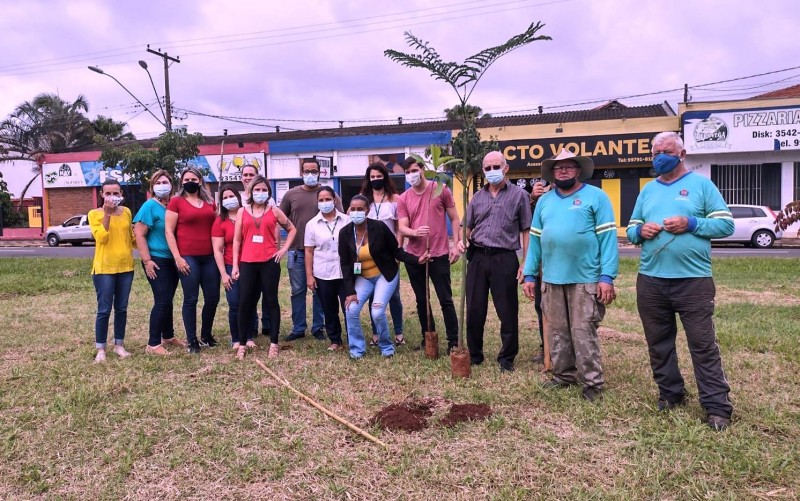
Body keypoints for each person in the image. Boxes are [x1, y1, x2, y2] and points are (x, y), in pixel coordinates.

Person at [626, 131, 735, 431]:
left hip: (693, 282)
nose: (660, 155)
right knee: (658, 343)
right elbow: (631, 228)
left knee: (702, 345)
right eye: (655, 151)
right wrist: (640, 232)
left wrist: (691, 223)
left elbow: (726, 224)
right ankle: (671, 394)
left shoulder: (701, 185)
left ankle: (716, 407)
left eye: (667, 150)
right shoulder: (647, 190)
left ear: (682, 154)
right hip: (651, 280)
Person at [522, 149, 619, 401]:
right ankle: (563, 375)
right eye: (558, 167)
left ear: (578, 170)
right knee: (557, 331)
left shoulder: (596, 197)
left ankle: (592, 383)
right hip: (552, 278)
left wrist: (607, 277)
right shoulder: (544, 201)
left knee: (583, 330)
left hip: (585, 278)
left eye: (568, 166)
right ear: (552, 173)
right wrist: (530, 274)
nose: (563, 170)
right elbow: (535, 241)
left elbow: (608, 239)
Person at [464, 151, 531, 372]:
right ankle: (475, 354)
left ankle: (507, 357)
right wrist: (461, 241)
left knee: (507, 309)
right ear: (483, 171)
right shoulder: (477, 197)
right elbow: (467, 227)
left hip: (505, 258)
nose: (492, 171)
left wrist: (525, 262)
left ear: (505, 168)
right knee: (475, 307)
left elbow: (526, 230)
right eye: (487, 168)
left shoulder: (519, 195)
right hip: (478, 257)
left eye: (496, 166)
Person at [339, 195, 427, 360]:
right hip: (363, 277)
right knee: (351, 310)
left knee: (378, 312)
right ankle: (357, 349)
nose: (356, 212)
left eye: (360, 209)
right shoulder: (344, 233)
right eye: (353, 209)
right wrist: (350, 291)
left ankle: (386, 346)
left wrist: (417, 260)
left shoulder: (379, 228)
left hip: (384, 275)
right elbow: (345, 264)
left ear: (367, 211)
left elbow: (397, 251)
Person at [397, 157, 464, 353]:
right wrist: (414, 232)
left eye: (414, 170)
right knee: (421, 300)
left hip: (439, 254)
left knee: (445, 299)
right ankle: (428, 338)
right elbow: (402, 226)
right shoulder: (404, 198)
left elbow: (454, 218)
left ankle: (453, 341)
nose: (411, 174)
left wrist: (455, 245)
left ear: (423, 170)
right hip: (415, 256)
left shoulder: (440, 189)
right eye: (407, 171)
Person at [279, 158, 342, 342]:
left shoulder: (330, 195)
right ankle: (298, 328)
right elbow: (280, 218)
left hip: (321, 253)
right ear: (301, 172)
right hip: (297, 251)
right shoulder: (291, 194)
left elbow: (341, 220)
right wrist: (292, 233)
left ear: (320, 172)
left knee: (319, 291)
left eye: (314, 171)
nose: (310, 175)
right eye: (306, 171)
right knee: (297, 291)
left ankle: (318, 327)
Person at [233, 176, 295, 360]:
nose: (260, 193)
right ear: (250, 192)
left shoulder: (274, 211)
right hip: (248, 262)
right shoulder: (242, 212)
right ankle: (242, 343)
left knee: (271, 301)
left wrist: (283, 249)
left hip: (269, 261)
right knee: (244, 302)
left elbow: (292, 229)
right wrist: (235, 265)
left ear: (269, 192)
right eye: (257, 190)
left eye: (264, 190)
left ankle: (274, 343)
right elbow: (237, 240)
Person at [165, 167, 220, 354]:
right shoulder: (176, 202)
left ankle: (206, 334)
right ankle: (192, 339)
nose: (190, 182)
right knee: (191, 298)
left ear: (200, 181)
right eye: (186, 178)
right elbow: (169, 232)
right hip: (187, 257)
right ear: (182, 182)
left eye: (194, 179)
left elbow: (217, 226)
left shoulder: (209, 202)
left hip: (210, 257)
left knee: (213, 297)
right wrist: (178, 258)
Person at [133, 170, 184, 356]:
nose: (163, 185)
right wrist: (147, 261)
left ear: (172, 185)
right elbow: (139, 234)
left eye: (166, 181)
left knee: (168, 300)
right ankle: (153, 344)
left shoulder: (173, 206)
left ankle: (168, 335)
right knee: (162, 300)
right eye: (158, 182)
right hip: (156, 259)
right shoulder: (149, 206)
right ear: (152, 187)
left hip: (172, 259)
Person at [88, 178, 135, 363]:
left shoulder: (126, 212)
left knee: (121, 308)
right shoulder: (94, 214)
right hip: (104, 268)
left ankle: (119, 345)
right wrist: (106, 214)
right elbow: (102, 237)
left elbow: (130, 238)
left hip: (125, 266)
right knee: (104, 309)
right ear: (102, 195)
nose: (112, 197)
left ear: (121, 194)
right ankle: (101, 348)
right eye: (108, 193)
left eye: (116, 193)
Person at [361, 162, 405, 346]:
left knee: (394, 295)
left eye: (379, 176)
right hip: (369, 254)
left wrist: (398, 252)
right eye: (373, 177)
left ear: (385, 177)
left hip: (389, 254)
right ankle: (376, 333)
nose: (376, 180)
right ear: (368, 179)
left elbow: (399, 229)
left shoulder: (395, 199)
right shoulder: (364, 200)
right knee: (372, 294)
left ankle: (399, 332)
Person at [212, 184, 257, 353]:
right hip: (231, 265)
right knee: (235, 303)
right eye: (224, 198)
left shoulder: (248, 215)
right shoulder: (220, 221)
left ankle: (250, 337)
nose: (228, 200)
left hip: (250, 263)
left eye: (231, 196)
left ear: (238, 198)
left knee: (250, 301)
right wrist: (224, 274)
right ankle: (237, 338)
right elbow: (217, 250)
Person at [305, 186, 350, 351]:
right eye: (321, 200)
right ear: (317, 203)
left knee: (350, 309)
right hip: (323, 273)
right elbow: (309, 251)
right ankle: (335, 340)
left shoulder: (347, 220)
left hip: (345, 273)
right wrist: (309, 276)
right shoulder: (312, 225)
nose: (325, 203)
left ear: (334, 200)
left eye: (328, 199)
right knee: (329, 309)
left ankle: (353, 338)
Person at [240, 163, 271, 338]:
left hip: (265, 255)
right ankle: (251, 326)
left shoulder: (266, 198)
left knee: (267, 293)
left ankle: (267, 324)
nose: (248, 177)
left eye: (251, 174)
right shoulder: (239, 200)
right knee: (249, 294)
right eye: (245, 174)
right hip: (247, 255)